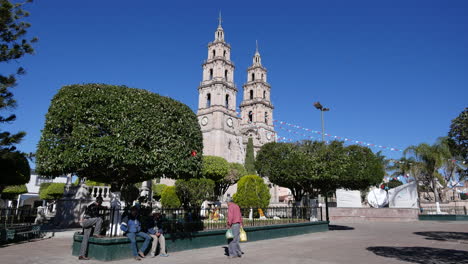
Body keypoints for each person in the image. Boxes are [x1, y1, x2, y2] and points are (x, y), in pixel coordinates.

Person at [78, 196, 105, 260]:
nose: (101, 204)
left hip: (86, 222)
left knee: (85, 239)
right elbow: (95, 215)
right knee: (99, 219)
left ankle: (81, 255)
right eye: (101, 202)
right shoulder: (93, 206)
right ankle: (96, 233)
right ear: (99, 201)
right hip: (86, 221)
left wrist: (103, 207)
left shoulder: (92, 204)